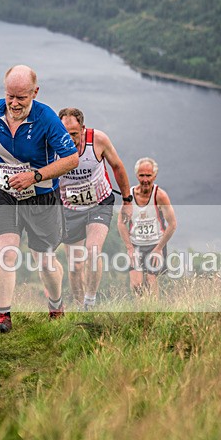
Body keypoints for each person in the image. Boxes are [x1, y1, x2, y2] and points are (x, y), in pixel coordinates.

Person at [0, 65, 79, 333]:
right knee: (5, 252)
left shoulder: (47, 119)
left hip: (41, 198)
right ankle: (2, 317)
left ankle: (55, 305)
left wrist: (35, 176)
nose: (14, 103)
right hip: (4, 194)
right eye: (10, 96)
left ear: (35, 92)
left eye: (22, 97)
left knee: (44, 261)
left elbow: (71, 159)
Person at [58, 107, 132, 310]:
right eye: (65, 133)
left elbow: (117, 166)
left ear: (83, 129)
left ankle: (90, 302)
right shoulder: (51, 145)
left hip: (98, 203)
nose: (69, 139)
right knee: (75, 265)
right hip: (69, 209)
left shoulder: (98, 140)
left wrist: (127, 201)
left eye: (74, 134)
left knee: (93, 250)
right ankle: (78, 304)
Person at [117, 157, 177, 297]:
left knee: (150, 282)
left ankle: (152, 314)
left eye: (148, 176)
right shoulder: (129, 196)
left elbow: (172, 224)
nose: (145, 179)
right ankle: (139, 315)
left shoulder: (160, 196)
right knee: (136, 285)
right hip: (136, 245)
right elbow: (121, 222)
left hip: (155, 244)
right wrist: (129, 248)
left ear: (154, 176)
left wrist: (158, 249)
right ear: (137, 175)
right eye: (142, 175)